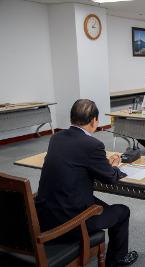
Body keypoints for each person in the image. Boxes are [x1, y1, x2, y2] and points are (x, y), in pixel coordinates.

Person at [35, 99, 138, 267]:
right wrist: (113, 166)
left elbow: (77, 161)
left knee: (101, 205)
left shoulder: (56, 138)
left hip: (46, 214)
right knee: (122, 211)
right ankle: (116, 260)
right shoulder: (92, 144)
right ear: (94, 120)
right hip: (70, 221)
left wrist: (102, 163)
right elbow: (110, 178)